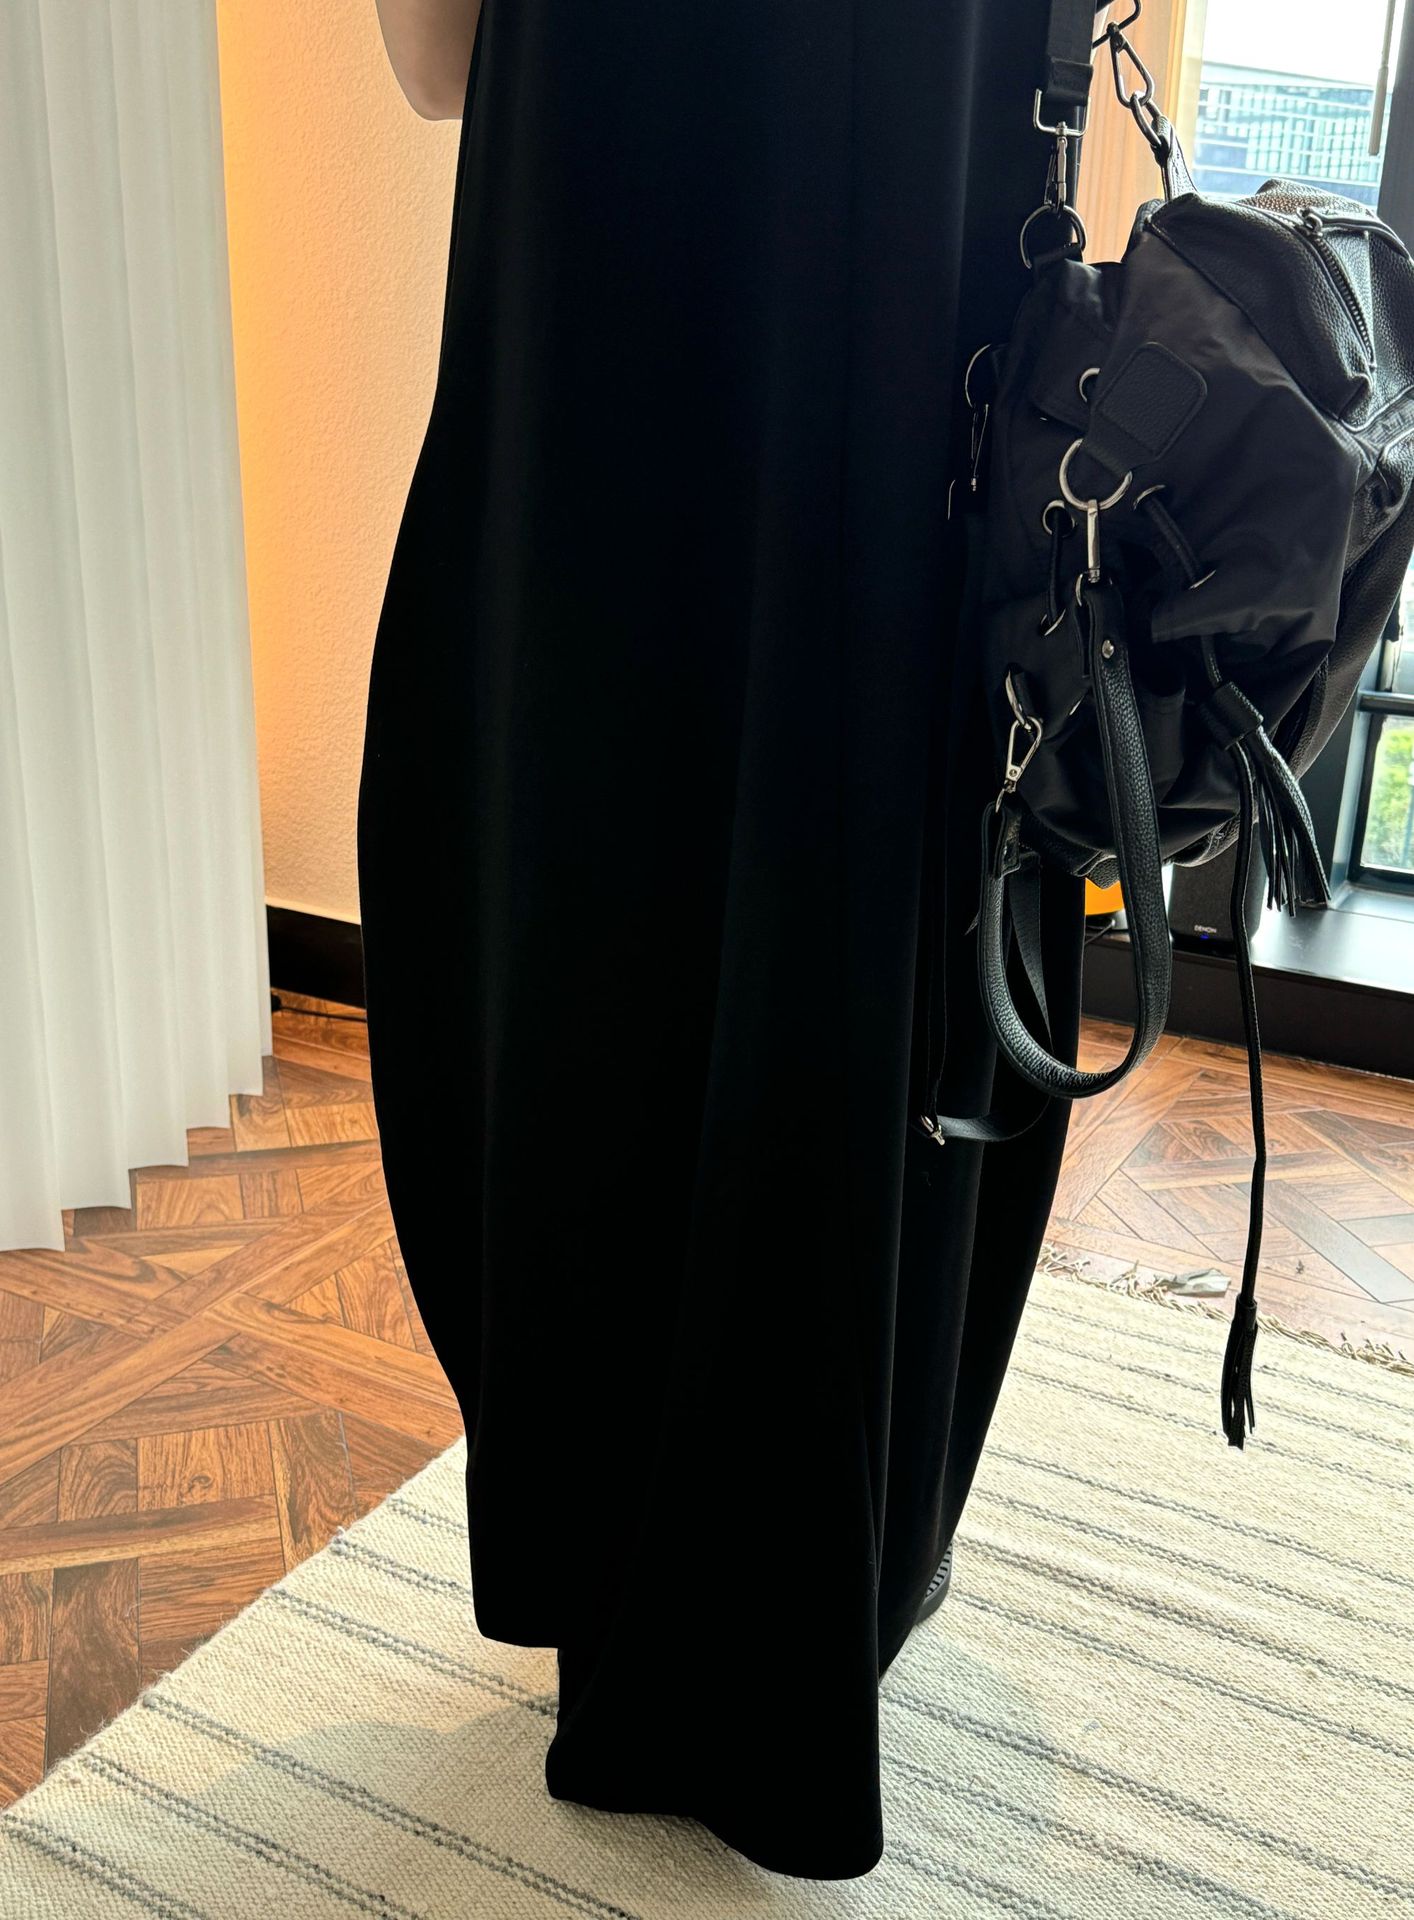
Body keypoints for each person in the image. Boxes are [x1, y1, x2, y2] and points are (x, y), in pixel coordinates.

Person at [359, 0, 1084, 1881]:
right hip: (921, 350)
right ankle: (839, 1581)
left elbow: (433, 64)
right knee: (880, 891)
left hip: (606, 346)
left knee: (593, 898)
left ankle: (635, 1596)